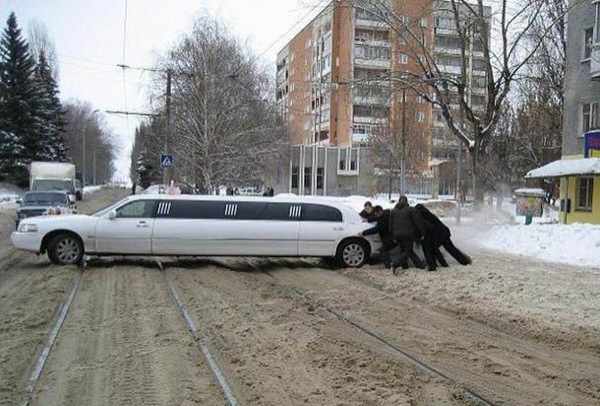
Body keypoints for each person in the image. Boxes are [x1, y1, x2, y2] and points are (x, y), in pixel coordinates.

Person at [388, 196, 429, 273]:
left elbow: (390, 225)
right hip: (407, 234)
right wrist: (422, 233)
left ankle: (411, 266)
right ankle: (395, 264)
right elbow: (418, 222)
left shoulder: (393, 211)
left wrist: (392, 236)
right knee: (408, 251)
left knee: (404, 250)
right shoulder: (410, 210)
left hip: (397, 235)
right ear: (406, 201)